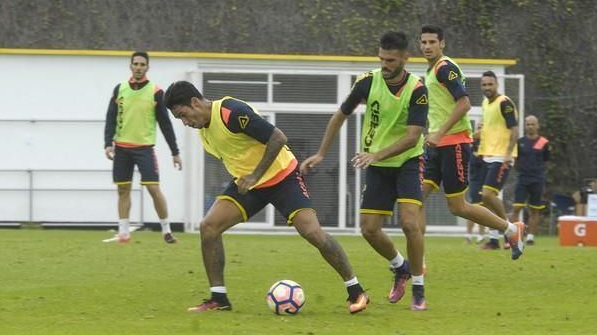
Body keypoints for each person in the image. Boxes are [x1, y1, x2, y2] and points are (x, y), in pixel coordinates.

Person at [163, 80, 369, 314]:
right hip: (250, 184)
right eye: (179, 119)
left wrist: (254, 175)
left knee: (312, 232)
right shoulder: (204, 130)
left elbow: (278, 138)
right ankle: (218, 298)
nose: (185, 123)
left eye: (183, 115)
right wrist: (247, 178)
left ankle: (356, 291)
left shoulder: (231, 112)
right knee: (208, 227)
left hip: (282, 176)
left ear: (194, 102)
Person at [301, 31, 429, 311]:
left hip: (408, 161)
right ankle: (401, 267)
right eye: (382, 58)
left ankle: (419, 288)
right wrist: (321, 153)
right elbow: (340, 116)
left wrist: (376, 154)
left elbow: (412, 136)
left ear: (406, 58)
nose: (385, 64)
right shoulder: (368, 82)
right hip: (377, 166)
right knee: (369, 230)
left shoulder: (417, 90)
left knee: (410, 224)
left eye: (391, 60)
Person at [418, 24, 526, 260]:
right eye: (423, 42)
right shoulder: (429, 71)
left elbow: (464, 104)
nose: (427, 46)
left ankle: (510, 229)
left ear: (442, 43)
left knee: (459, 207)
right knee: (414, 199)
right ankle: (417, 263)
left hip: (453, 144)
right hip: (437, 145)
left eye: (432, 42)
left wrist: (439, 133)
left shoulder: (445, 68)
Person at [104, 51, 182, 244]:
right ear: (131, 66)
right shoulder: (119, 89)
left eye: (142, 64)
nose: (138, 67)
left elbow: (165, 124)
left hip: (144, 148)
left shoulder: (155, 92)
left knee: (154, 189)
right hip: (121, 147)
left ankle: (166, 230)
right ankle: (123, 233)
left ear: (147, 67)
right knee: (123, 189)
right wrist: (107, 143)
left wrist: (175, 152)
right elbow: (110, 118)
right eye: (135, 64)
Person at [478, 71, 520, 250]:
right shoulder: (485, 104)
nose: (487, 88)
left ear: (497, 85)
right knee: (487, 199)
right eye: (484, 85)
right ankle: (493, 240)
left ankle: (509, 229)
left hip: (501, 156)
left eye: (490, 84)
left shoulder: (504, 102)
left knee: (488, 195)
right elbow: (490, 129)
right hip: (487, 156)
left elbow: (514, 130)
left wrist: (508, 154)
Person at [510, 115, 550, 245]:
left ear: (538, 125)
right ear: (525, 126)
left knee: (535, 209)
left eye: (533, 124)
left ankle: (530, 237)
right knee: (517, 208)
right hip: (523, 179)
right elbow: (515, 161)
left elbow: (546, 160)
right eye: (528, 124)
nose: (530, 126)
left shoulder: (544, 142)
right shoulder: (520, 142)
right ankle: (516, 235)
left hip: (537, 180)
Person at [465, 121, 486, 244]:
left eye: (482, 127)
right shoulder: (471, 142)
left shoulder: (489, 144)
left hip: (486, 178)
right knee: (474, 205)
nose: (480, 130)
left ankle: (481, 235)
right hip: (474, 179)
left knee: (485, 206)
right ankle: (468, 234)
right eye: (478, 127)